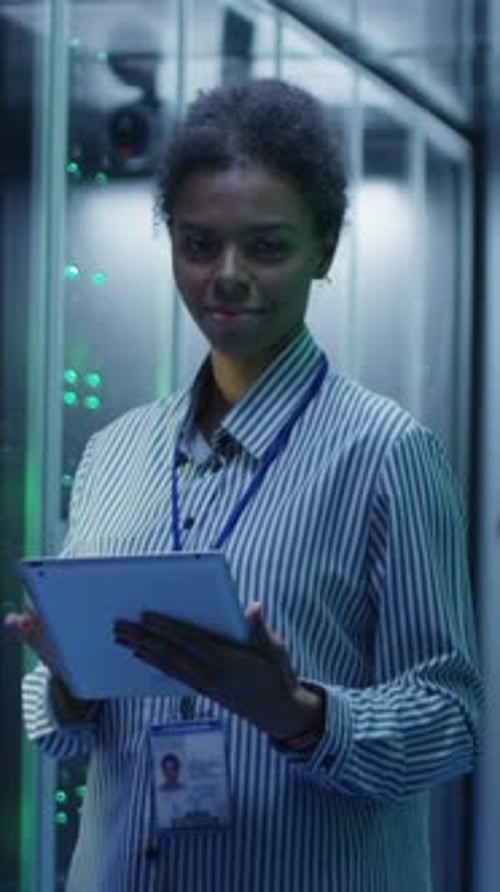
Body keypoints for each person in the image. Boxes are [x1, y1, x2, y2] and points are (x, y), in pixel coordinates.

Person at [9, 78, 482, 891]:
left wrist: (297, 714)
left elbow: (451, 719)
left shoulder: (387, 453)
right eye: (199, 244)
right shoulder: (115, 454)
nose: (227, 275)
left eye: (266, 247)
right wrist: (67, 687)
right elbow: (67, 734)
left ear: (324, 248)